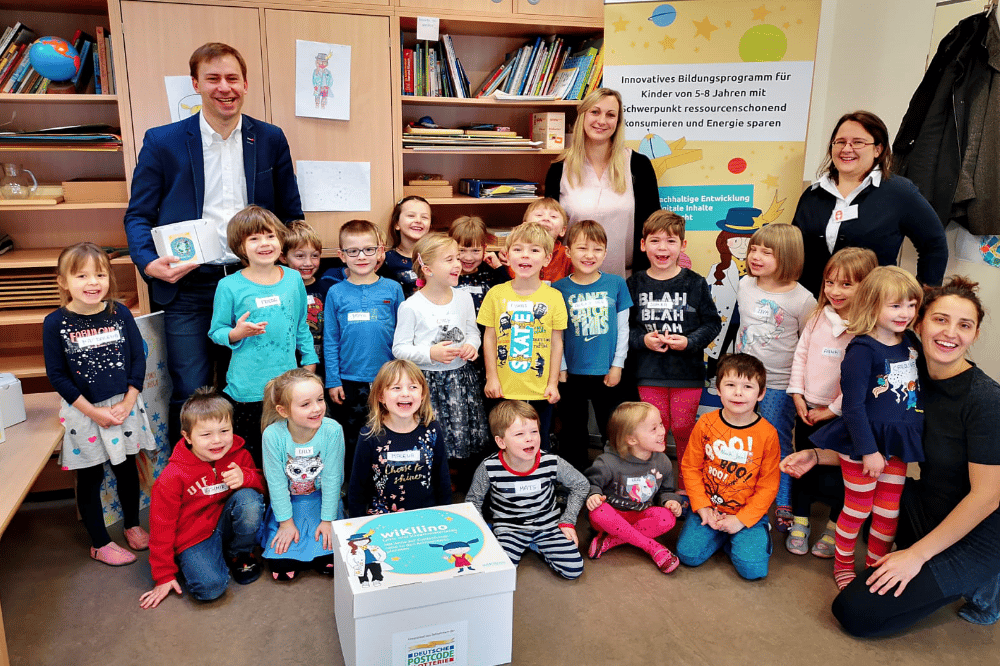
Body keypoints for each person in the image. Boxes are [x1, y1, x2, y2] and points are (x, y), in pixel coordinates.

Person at [781, 278, 1000, 635]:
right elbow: (885, 445)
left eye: (964, 325)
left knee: (856, 613)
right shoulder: (912, 378)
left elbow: (988, 496)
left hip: (981, 526)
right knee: (835, 485)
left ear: (975, 335)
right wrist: (819, 455)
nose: (950, 333)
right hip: (929, 504)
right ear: (919, 324)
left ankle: (987, 581)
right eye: (940, 320)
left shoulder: (986, 400)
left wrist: (916, 555)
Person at [124, 42, 302, 447]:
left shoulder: (270, 139)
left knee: (262, 392)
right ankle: (192, 488)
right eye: (213, 79)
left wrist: (288, 268)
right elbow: (138, 216)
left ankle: (254, 474)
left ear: (245, 83)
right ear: (196, 84)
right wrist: (150, 264)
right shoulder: (163, 141)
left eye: (232, 78)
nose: (224, 88)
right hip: (188, 286)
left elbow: (291, 214)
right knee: (194, 392)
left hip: (254, 285)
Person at [808, 266, 924, 590]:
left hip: (897, 442)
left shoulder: (911, 342)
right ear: (873, 305)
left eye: (911, 304)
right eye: (896, 305)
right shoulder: (862, 349)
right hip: (864, 442)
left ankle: (877, 566)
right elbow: (853, 405)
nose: (906, 313)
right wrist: (868, 451)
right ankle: (843, 564)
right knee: (858, 509)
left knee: (888, 511)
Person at [43, 243, 158, 566]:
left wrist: (129, 400)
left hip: (124, 406)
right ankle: (99, 541)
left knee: (126, 470)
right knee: (91, 477)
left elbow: (138, 357)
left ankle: (133, 525)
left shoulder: (119, 313)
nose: (92, 282)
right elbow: (57, 376)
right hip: (85, 412)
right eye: (81, 275)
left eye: (100, 274)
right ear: (64, 282)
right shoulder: (55, 323)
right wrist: (93, 412)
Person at [791, 110, 947, 298]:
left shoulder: (899, 192)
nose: (847, 149)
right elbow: (794, 250)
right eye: (840, 142)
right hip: (815, 309)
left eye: (858, 142)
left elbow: (934, 245)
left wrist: (921, 300)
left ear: (877, 149)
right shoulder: (813, 194)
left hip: (872, 310)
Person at [785, 247, 877, 558]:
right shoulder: (816, 318)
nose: (835, 291)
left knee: (843, 473)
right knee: (803, 464)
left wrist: (832, 410)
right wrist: (797, 392)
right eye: (830, 282)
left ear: (867, 286)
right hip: (808, 408)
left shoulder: (868, 328)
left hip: (842, 414)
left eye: (846, 284)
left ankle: (834, 526)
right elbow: (801, 356)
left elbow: (861, 381)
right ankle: (800, 520)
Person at [207, 206, 317, 468]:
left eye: (270, 236)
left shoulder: (292, 279)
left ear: (280, 241)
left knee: (286, 451)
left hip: (286, 386)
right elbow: (216, 331)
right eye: (254, 238)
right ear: (241, 247)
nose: (264, 244)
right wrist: (236, 333)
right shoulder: (229, 285)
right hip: (247, 388)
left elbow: (302, 324)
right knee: (253, 456)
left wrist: (310, 361)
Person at [140, 389, 265, 608]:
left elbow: (264, 489)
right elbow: (161, 527)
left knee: (249, 500)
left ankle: (239, 553)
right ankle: (200, 559)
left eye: (224, 431)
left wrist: (247, 477)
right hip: (194, 536)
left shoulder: (240, 454)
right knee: (210, 589)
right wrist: (164, 575)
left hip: (226, 524)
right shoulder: (172, 476)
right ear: (187, 437)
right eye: (206, 435)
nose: (217, 441)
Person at [626, 211, 721, 493]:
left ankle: (684, 487)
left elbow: (712, 323)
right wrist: (643, 340)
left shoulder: (695, 283)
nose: (663, 248)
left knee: (682, 430)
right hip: (648, 373)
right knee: (653, 432)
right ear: (643, 245)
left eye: (670, 241)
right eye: (655, 241)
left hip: (687, 374)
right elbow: (626, 329)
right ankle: (653, 488)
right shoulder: (634, 284)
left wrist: (689, 342)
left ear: (683, 245)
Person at [735, 223, 816, 531]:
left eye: (766, 252)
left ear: (788, 256)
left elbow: (809, 346)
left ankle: (783, 499)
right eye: (754, 249)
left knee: (778, 443)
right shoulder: (745, 285)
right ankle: (743, 490)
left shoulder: (803, 299)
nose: (756, 256)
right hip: (743, 379)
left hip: (779, 385)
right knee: (743, 437)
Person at [677, 354, 780, 580]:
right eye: (730, 385)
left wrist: (741, 520)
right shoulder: (705, 423)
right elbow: (691, 467)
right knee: (688, 556)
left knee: (753, 570)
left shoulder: (768, 434)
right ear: (718, 389)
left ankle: (748, 534)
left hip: (747, 513)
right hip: (709, 508)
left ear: (761, 393)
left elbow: (769, 485)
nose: (738, 392)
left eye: (748, 386)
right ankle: (723, 535)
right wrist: (702, 507)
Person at [392, 233, 489, 470]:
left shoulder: (464, 298)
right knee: (431, 436)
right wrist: (430, 354)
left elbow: (473, 332)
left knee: (460, 433)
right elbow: (399, 348)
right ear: (427, 268)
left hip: (460, 379)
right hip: (427, 382)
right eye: (449, 259)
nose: (458, 264)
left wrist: (471, 346)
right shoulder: (411, 306)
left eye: (457, 258)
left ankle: (460, 479)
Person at [465, 400, 589, 580]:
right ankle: (517, 542)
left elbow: (581, 484)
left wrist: (568, 520)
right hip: (509, 529)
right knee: (497, 575)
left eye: (534, 431)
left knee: (574, 569)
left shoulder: (551, 462)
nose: (529, 438)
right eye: (519, 434)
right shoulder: (488, 467)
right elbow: (473, 501)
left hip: (548, 526)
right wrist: (481, 531)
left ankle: (536, 545)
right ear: (501, 442)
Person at [544, 88, 660, 277]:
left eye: (610, 115)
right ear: (582, 116)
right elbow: (548, 229)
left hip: (626, 281)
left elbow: (654, 227)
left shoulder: (638, 166)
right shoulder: (559, 169)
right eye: (595, 112)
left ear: (618, 121)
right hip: (570, 280)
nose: (602, 121)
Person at [324, 220, 404, 475]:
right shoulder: (336, 293)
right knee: (354, 436)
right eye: (353, 251)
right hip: (349, 380)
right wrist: (333, 380)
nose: (361, 256)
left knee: (388, 431)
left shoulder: (393, 288)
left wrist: (401, 375)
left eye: (369, 250)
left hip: (387, 378)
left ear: (381, 252)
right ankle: (356, 481)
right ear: (341, 256)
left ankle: (389, 478)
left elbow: (403, 335)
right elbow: (331, 338)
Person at [478, 222, 568, 446]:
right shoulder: (496, 294)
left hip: (540, 390)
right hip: (503, 388)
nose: (525, 255)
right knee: (504, 442)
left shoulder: (554, 297)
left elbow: (556, 343)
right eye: (518, 249)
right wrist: (492, 377)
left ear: (547, 258)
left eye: (534, 250)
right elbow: (489, 337)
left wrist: (553, 383)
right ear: (507, 255)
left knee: (539, 442)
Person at [553, 220, 632, 472]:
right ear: (568, 252)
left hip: (606, 371)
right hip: (572, 373)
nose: (590, 255)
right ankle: (575, 476)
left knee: (611, 427)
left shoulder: (616, 284)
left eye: (597, 249)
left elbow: (623, 328)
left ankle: (612, 474)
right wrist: (561, 367)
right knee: (573, 428)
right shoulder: (558, 289)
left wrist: (618, 364)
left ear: (606, 253)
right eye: (582, 248)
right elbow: (557, 334)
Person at [259, 368, 344, 581]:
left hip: (323, 500)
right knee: (281, 562)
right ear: (283, 410)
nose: (317, 409)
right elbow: (276, 483)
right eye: (305, 404)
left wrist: (327, 520)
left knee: (329, 550)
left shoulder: (332, 430)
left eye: (320, 400)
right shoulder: (272, 435)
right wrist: (286, 523)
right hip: (290, 504)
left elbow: (333, 478)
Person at [585, 402, 683, 573]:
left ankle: (610, 541)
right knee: (598, 511)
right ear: (631, 439)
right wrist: (593, 495)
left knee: (668, 518)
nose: (662, 431)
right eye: (654, 429)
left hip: (641, 516)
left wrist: (670, 501)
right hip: (611, 517)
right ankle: (652, 547)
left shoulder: (663, 462)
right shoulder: (607, 463)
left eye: (661, 424)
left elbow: (666, 491)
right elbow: (591, 485)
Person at [347, 360, 452, 516]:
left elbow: (442, 478)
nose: (405, 393)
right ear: (381, 396)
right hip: (382, 519)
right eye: (396, 388)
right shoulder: (369, 435)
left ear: (422, 394)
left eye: (413, 387)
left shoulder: (432, 429)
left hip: (426, 516)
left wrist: (447, 515)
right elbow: (357, 487)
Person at [281, 220, 329, 385]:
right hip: (287, 365)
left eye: (314, 255)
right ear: (283, 256)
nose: (308, 263)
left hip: (323, 364)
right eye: (300, 256)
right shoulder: (280, 290)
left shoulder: (328, 288)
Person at [449, 215, 506, 314]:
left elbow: (508, 293)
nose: (468, 258)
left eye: (475, 251)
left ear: (485, 248)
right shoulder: (446, 274)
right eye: (461, 250)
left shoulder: (490, 273)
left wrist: (498, 268)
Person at [380, 195, 431, 298]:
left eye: (424, 217)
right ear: (396, 223)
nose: (418, 221)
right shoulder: (386, 259)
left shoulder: (436, 257)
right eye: (411, 216)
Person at [512, 198, 573, 283]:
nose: (546, 219)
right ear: (525, 225)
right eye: (539, 215)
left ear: (563, 230)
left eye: (553, 216)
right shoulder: (514, 253)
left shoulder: (567, 256)